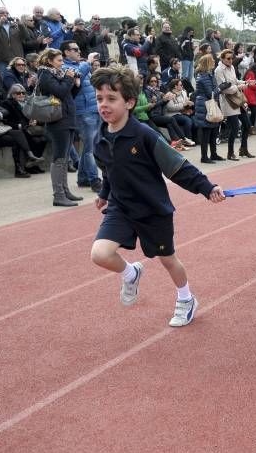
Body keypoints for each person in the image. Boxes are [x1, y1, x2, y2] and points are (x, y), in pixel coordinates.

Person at [88, 65, 226, 327]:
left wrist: (206, 187)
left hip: (152, 209)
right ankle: (131, 273)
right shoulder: (100, 137)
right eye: (99, 99)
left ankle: (186, 299)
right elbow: (109, 170)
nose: (103, 105)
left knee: (167, 259)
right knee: (100, 254)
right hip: (120, 208)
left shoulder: (145, 135)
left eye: (111, 99)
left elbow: (177, 167)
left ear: (129, 102)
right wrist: (105, 194)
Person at [37, 48, 84, 207]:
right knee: (59, 158)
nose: (62, 64)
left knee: (64, 158)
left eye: (62, 61)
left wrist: (76, 84)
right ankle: (58, 195)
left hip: (67, 118)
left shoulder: (57, 75)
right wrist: (69, 79)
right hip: (57, 121)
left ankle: (65, 191)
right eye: (59, 61)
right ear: (49, 61)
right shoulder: (45, 75)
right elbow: (61, 92)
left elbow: (69, 95)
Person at [61, 40, 102, 192]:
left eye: (79, 49)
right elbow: (75, 78)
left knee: (88, 147)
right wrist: (88, 62)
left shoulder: (80, 65)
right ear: (66, 52)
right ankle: (94, 180)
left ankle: (83, 178)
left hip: (92, 109)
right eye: (75, 49)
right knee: (90, 149)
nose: (79, 51)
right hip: (81, 111)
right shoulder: (65, 67)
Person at [215, 49, 253, 160]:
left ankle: (243, 149)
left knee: (247, 124)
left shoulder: (231, 67)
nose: (231, 60)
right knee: (235, 128)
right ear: (222, 59)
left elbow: (235, 81)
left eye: (232, 58)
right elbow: (223, 88)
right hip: (228, 101)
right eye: (228, 58)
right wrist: (240, 87)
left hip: (236, 99)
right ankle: (230, 152)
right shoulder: (218, 70)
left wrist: (246, 82)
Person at [193, 53, 228, 163]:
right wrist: (221, 88)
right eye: (212, 60)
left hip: (208, 104)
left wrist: (219, 89)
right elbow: (210, 93)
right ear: (208, 63)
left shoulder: (207, 75)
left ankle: (213, 154)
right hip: (205, 105)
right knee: (206, 132)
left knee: (213, 130)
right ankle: (204, 157)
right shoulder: (204, 77)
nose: (214, 61)